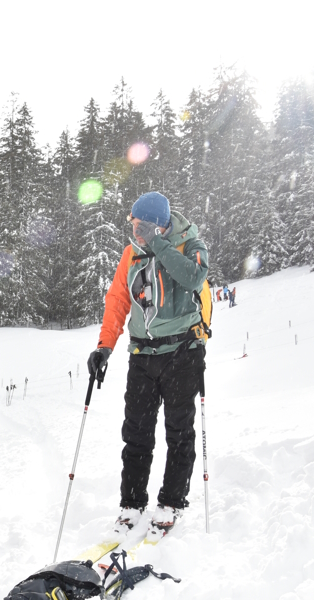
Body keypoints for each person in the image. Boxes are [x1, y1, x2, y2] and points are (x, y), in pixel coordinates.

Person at [87, 192, 209, 538]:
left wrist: (160, 246)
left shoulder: (189, 244)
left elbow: (193, 278)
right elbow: (117, 300)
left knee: (179, 432)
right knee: (137, 433)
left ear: (158, 224)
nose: (135, 231)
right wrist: (104, 347)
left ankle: (172, 502)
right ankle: (131, 503)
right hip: (142, 355)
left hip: (181, 352)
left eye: (141, 226)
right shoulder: (131, 253)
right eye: (133, 224)